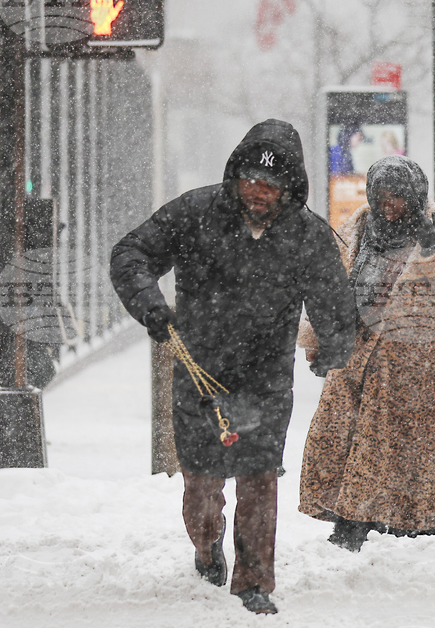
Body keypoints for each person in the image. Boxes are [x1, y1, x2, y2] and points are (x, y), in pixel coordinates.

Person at [109, 118, 356, 614]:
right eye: (250, 181)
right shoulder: (196, 212)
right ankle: (206, 546)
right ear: (235, 177)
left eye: (270, 185)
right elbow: (130, 253)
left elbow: (333, 300)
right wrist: (151, 307)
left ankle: (254, 581)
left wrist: (334, 346)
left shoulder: (307, 235)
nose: (258, 192)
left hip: (266, 377)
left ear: (289, 188)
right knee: (201, 484)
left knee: (259, 478)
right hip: (200, 371)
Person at [297, 154, 435, 552]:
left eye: (399, 196)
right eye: (381, 194)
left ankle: (417, 529)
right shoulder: (358, 225)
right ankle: (350, 526)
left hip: (416, 366)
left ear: (416, 196)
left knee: (414, 456)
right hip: (358, 359)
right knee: (349, 445)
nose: (389, 204)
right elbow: (334, 290)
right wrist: (319, 342)